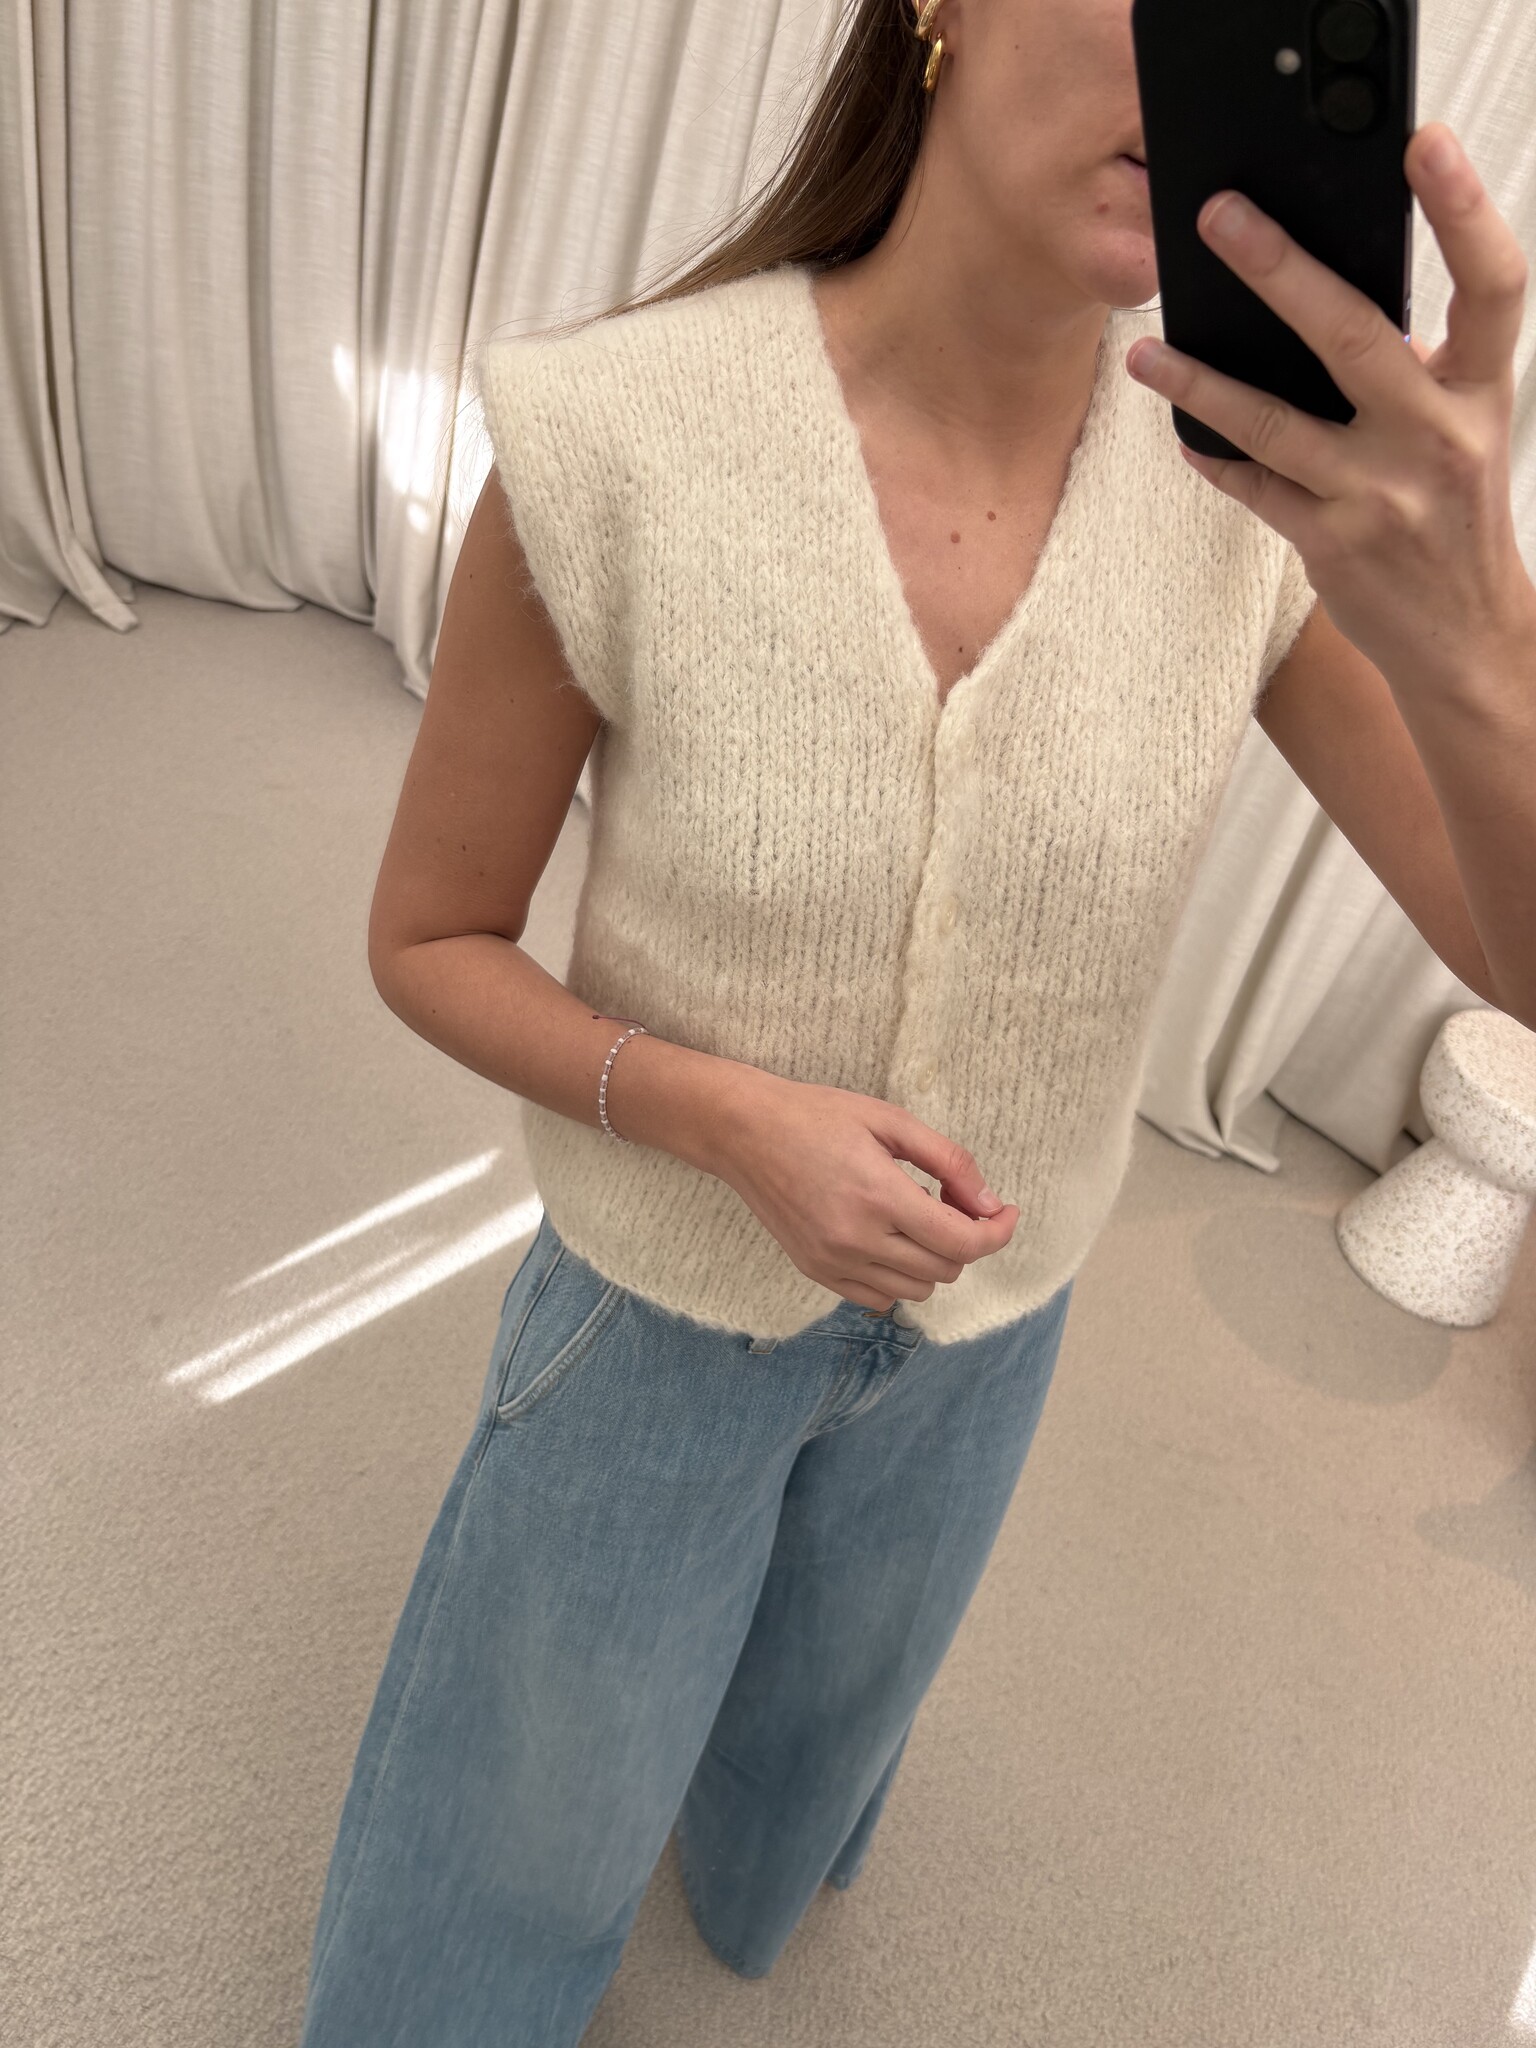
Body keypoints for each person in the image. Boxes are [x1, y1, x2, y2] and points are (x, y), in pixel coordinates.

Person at [296, 1, 1314, 2041]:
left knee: (830, 1724)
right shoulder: (622, 437)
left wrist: (1463, 563)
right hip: (655, 1306)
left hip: (994, 1331)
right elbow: (429, 937)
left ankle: (758, 1866)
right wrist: (728, 1120)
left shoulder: (1260, 498)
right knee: (522, 1811)